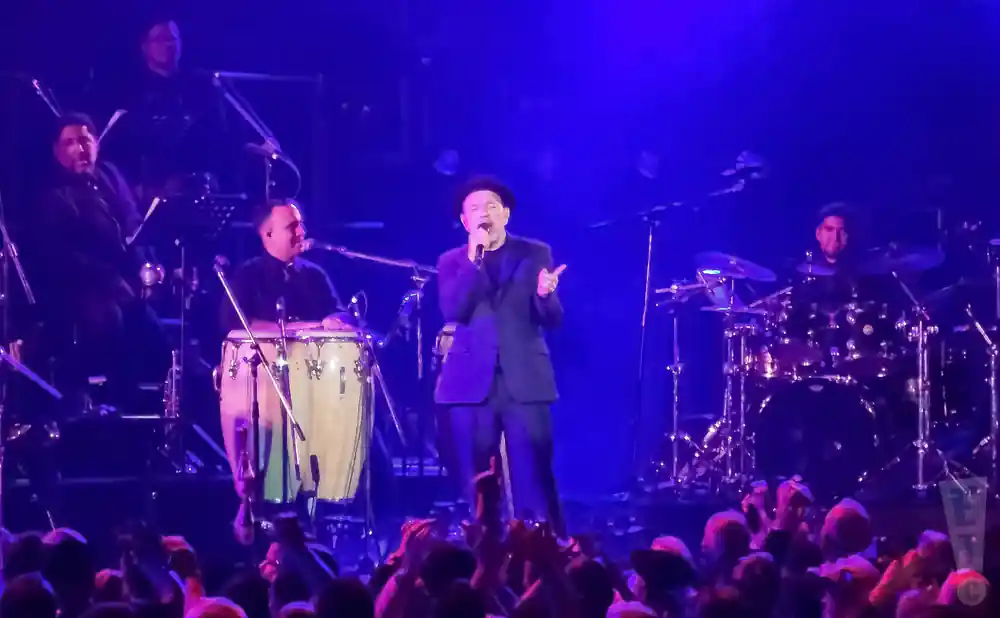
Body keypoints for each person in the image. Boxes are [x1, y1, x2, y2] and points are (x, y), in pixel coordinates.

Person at [434, 175, 567, 534]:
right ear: (464, 221)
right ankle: (485, 551)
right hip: (470, 383)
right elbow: (453, 310)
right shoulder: (452, 261)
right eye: (474, 208)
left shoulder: (534, 253)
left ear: (505, 214)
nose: (484, 213)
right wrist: (474, 260)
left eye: (491, 205)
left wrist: (543, 295)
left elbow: (553, 320)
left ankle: (544, 547)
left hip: (523, 377)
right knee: (478, 480)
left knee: (534, 472)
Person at [31, 112, 168, 413]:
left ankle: (157, 417)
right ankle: (117, 408)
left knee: (158, 334)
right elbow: (62, 254)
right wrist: (110, 280)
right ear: (57, 151)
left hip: (124, 283)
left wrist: (149, 265)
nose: (80, 149)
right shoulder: (54, 194)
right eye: (70, 143)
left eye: (85, 140)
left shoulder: (109, 175)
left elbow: (133, 222)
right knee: (114, 322)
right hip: (80, 289)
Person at [97, 17, 241, 204]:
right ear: (145, 46)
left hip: (198, 185)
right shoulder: (130, 92)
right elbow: (121, 145)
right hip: (148, 191)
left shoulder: (202, 86)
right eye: (160, 39)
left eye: (173, 39)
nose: (168, 45)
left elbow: (219, 135)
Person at [219, 199, 352, 333]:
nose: (302, 232)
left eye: (301, 224)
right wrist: (306, 327)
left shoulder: (315, 274)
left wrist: (337, 320)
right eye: (292, 226)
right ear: (268, 234)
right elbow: (235, 323)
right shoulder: (247, 274)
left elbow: (339, 313)